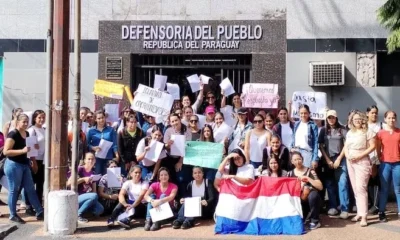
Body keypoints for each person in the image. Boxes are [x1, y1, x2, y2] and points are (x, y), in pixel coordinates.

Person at [3, 113, 44, 223]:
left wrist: (33, 154)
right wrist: (23, 151)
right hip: (13, 165)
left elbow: (29, 150)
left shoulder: (26, 133)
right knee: (14, 190)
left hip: (25, 164)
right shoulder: (13, 134)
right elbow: (6, 151)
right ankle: (12, 214)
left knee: (30, 188)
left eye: (27, 121)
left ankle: (40, 211)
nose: (26, 124)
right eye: (23, 122)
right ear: (17, 122)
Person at [344, 111, 376, 227]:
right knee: (355, 188)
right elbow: (346, 146)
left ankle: (364, 216)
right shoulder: (350, 132)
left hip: (362, 160)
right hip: (350, 161)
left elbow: (372, 146)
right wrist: (347, 156)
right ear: (351, 120)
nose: (357, 120)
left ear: (363, 119)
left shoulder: (368, 131)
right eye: (354, 119)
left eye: (359, 118)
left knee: (361, 188)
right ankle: (359, 212)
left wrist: (359, 156)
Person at [319, 110, 349, 219]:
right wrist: (327, 160)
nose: (331, 119)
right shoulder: (323, 130)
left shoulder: (342, 129)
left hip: (340, 159)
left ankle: (344, 208)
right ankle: (333, 206)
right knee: (330, 185)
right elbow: (321, 146)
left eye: (333, 117)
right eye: (329, 117)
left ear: (336, 118)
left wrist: (339, 158)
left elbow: (346, 145)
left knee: (342, 183)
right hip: (327, 160)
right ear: (326, 119)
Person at [288, 151, 323, 230]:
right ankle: (304, 215)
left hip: (309, 199)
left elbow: (320, 186)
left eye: (299, 159)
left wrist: (308, 179)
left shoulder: (310, 171)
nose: (298, 161)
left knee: (314, 195)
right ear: (292, 162)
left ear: (302, 159)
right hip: (298, 200)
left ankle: (315, 220)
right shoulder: (289, 174)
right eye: (295, 160)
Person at [376, 111, 400, 222]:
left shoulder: (399, 132)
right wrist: (380, 157)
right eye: (389, 118)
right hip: (385, 164)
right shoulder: (380, 133)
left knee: (398, 189)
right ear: (385, 119)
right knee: (384, 189)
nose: (391, 120)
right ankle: (381, 212)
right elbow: (378, 148)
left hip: (397, 164)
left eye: (393, 118)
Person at [67, 152, 104, 223]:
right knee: (93, 196)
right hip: (76, 197)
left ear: (95, 161)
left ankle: (82, 211)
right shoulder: (79, 169)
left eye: (92, 159)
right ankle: (78, 214)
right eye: (88, 159)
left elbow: (94, 192)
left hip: (88, 197)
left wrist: (92, 199)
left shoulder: (93, 173)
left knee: (100, 209)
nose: (90, 161)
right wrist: (83, 179)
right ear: (84, 160)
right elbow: (68, 184)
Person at [23, 110, 46, 215]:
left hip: (43, 160)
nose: (41, 119)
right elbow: (30, 146)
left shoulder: (44, 129)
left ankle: (38, 206)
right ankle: (28, 206)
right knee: (31, 184)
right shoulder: (32, 130)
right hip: (34, 160)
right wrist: (33, 161)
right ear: (35, 118)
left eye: (43, 117)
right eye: (39, 117)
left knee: (40, 184)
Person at [164, 114, 192, 193]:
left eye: (176, 120)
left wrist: (180, 161)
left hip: (182, 157)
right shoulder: (168, 131)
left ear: (180, 120)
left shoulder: (187, 131)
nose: (174, 123)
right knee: (170, 178)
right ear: (170, 122)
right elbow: (165, 146)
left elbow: (187, 147)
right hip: (169, 158)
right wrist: (168, 145)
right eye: (172, 121)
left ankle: (183, 197)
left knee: (181, 178)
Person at [87, 110, 119, 175]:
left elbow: (114, 144)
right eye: (99, 118)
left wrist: (116, 155)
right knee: (97, 175)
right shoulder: (91, 131)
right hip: (96, 158)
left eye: (102, 118)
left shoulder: (111, 130)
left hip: (108, 157)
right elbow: (87, 144)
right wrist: (93, 148)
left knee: (109, 177)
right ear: (95, 119)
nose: (101, 120)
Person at [291, 104, 319, 169]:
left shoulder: (313, 125)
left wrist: (314, 159)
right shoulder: (296, 124)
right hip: (296, 152)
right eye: (301, 113)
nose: (303, 115)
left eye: (305, 113)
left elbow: (315, 143)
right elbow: (293, 137)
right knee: (297, 175)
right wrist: (291, 147)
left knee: (306, 175)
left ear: (309, 113)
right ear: (299, 113)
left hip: (307, 153)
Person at [366, 105, 382, 215]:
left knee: (377, 182)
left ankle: (376, 205)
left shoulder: (381, 126)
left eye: (376, 112)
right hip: (366, 158)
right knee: (368, 182)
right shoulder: (364, 126)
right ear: (367, 114)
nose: (374, 114)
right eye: (372, 112)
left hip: (378, 158)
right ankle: (371, 204)